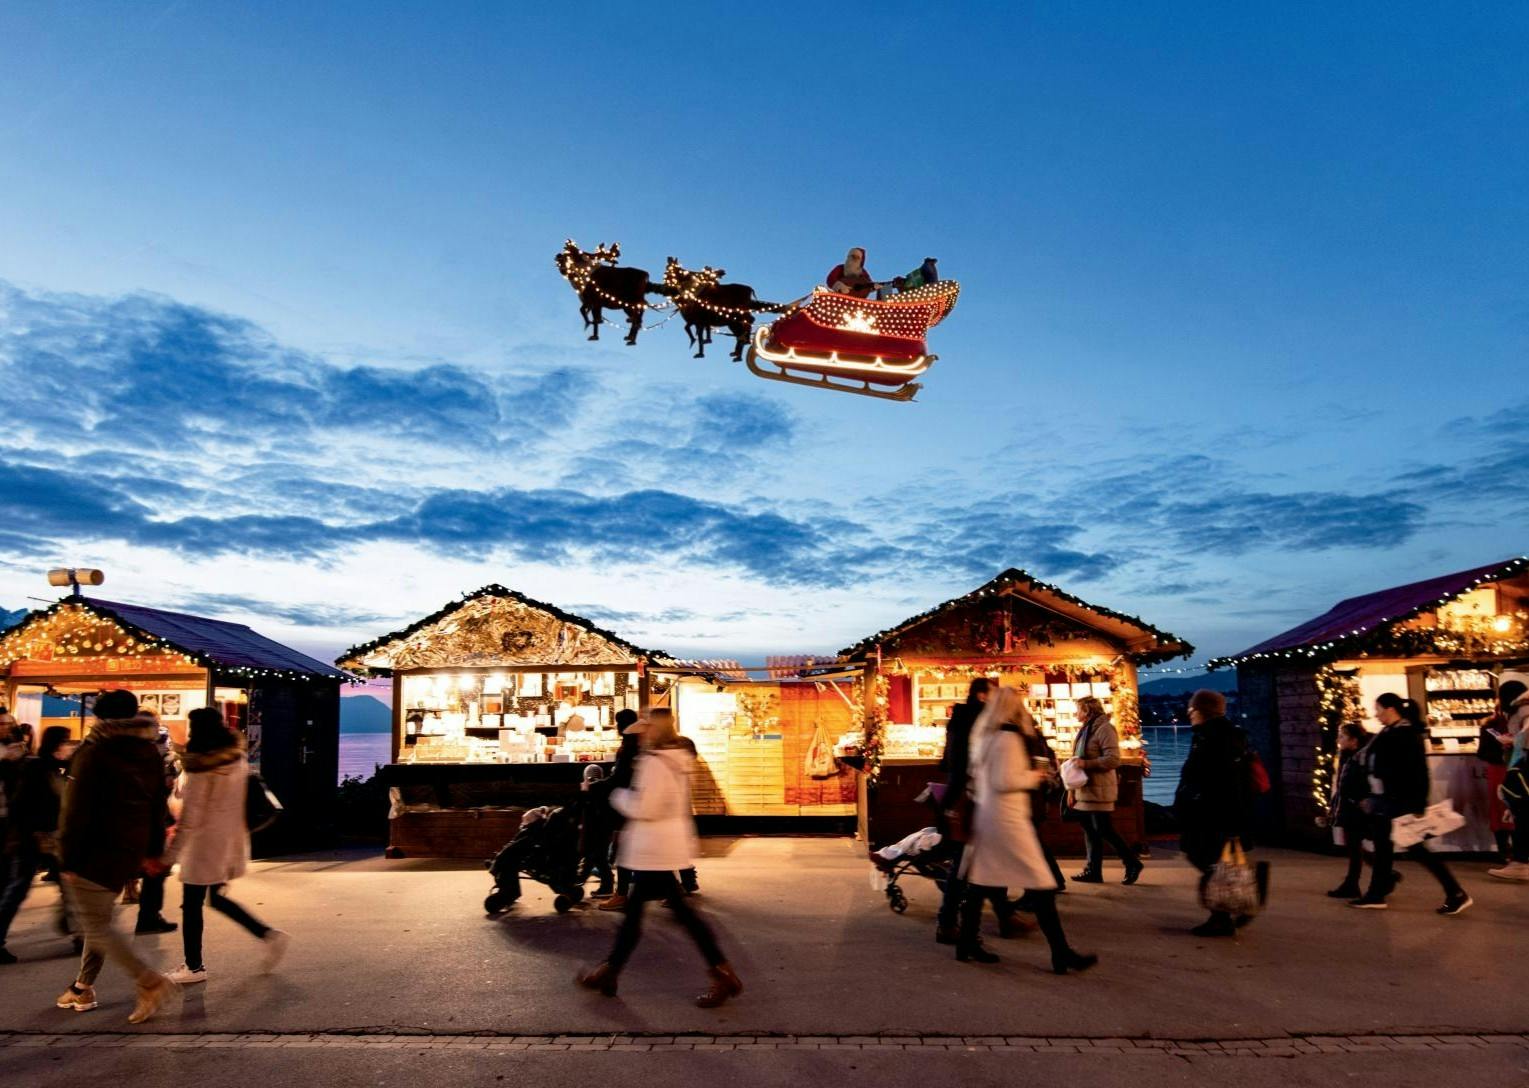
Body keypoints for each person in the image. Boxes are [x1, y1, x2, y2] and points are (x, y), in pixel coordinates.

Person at [576, 708, 742, 1007]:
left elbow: (646, 808)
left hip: (653, 848)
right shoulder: (677, 758)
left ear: (654, 731)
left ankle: (721, 973)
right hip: (664, 847)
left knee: (670, 916)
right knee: (645, 914)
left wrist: (616, 796)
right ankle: (610, 971)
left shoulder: (654, 762)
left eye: (645, 729)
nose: (641, 735)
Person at [54, 690, 177, 1023]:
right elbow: (157, 805)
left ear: (101, 718)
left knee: (95, 926)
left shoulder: (93, 753)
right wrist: (153, 850)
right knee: (100, 920)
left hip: (93, 851)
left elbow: (74, 812)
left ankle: (148, 980)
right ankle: (83, 987)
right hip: (130, 847)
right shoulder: (148, 751)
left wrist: (66, 859)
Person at [954, 688, 1096, 974]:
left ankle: (966, 943)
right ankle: (1061, 952)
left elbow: (980, 779)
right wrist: (1036, 775)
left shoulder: (985, 738)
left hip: (989, 819)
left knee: (982, 883)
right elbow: (1005, 780)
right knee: (1041, 884)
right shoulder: (1008, 738)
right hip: (1008, 821)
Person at [161, 707, 288, 985]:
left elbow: (190, 818)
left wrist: (169, 856)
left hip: (203, 846)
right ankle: (267, 934)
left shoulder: (200, 769)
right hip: (231, 840)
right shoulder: (237, 759)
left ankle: (194, 967)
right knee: (215, 898)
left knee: (192, 905)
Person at [1350, 693, 1470, 914]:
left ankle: (1455, 892)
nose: (1375, 714)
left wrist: (1418, 804)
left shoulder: (1405, 734)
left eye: (1378, 709)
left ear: (1390, 709)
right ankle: (1378, 892)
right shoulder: (1389, 732)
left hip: (1399, 800)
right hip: (1384, 799)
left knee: (1415, 848)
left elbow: (1417, 770)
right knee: (1384, 845)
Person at [1173, 689, 1254, 937]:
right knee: (1211, 860)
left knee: (1206, 858)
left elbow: (1216, 778)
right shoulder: (1223, 735)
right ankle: (1228, 910)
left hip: (1212, 813)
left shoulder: (1213, 737)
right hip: (1218, 812)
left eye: (1191, 710)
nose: (1189, 714)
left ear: (1202, 711)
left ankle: (1225, 913)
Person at [0, 726, 77, 963]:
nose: (69, 746)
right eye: (66, 741)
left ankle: (79, 933)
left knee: (68, 888)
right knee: (19, 888)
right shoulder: (38, 767)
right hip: (34, 837)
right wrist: (27, 833)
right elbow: (21, 803)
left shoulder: (58, 768)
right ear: (57, 744)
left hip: (52, 837)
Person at [934, 678, 990, 944]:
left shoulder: (958, 719)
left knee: (968, 863)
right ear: (982, 695)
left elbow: (951, 763)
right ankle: (953, 925)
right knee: (968, 864)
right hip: (972, 799)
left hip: (959, 797)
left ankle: (956, 925)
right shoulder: (979, 720)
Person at [1068, 696, 1143, 886]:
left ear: (1087, 711)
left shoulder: (1104, 729)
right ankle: (1093, 870)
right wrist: (1071, 790)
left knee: (1104, 829)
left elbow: (1113, 760)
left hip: (1099, 789)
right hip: (1085, 789)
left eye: (1078, 709)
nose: (1076, 713)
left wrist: (1086, 763)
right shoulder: (1086, 730)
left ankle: (1132, 862)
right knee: (1090, 830)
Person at [593, 709, 642, 911]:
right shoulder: (637, 743)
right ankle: (669, 891)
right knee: (630, 849)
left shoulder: (630, 745)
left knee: (623, 848)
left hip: (627, 803)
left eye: (617, 723)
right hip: (635, 801)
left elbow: (620, 778)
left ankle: (621, 894)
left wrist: (597, 785)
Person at [134, 720, 178, 936]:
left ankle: (150, 916)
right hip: (147, 821)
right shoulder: (147, 755)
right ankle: (148, 917)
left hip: (149, 820)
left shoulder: (143, 752)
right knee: (154, 871)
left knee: (154, 872)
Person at [1324, 722, 1374, 899]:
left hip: (1358, 806)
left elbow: (1363, 781)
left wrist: (1360, 799)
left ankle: (1353, 884)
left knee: (1354, 844)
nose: (1338, 740)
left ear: (1354, 740)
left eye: (1342, 736)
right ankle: (1383, 873)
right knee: (1354, 845)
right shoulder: (1345, 754)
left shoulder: (1364, 756)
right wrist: (1334, 805)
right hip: (1348, 804)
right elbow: (1341, 784)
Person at [1487, 675, 1529, 882]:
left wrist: (1513, 742)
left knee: (1522, 814)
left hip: (1524, 767)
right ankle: (1520, 862)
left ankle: (1521, 863)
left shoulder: (1524, 708)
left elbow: (1527, 735)